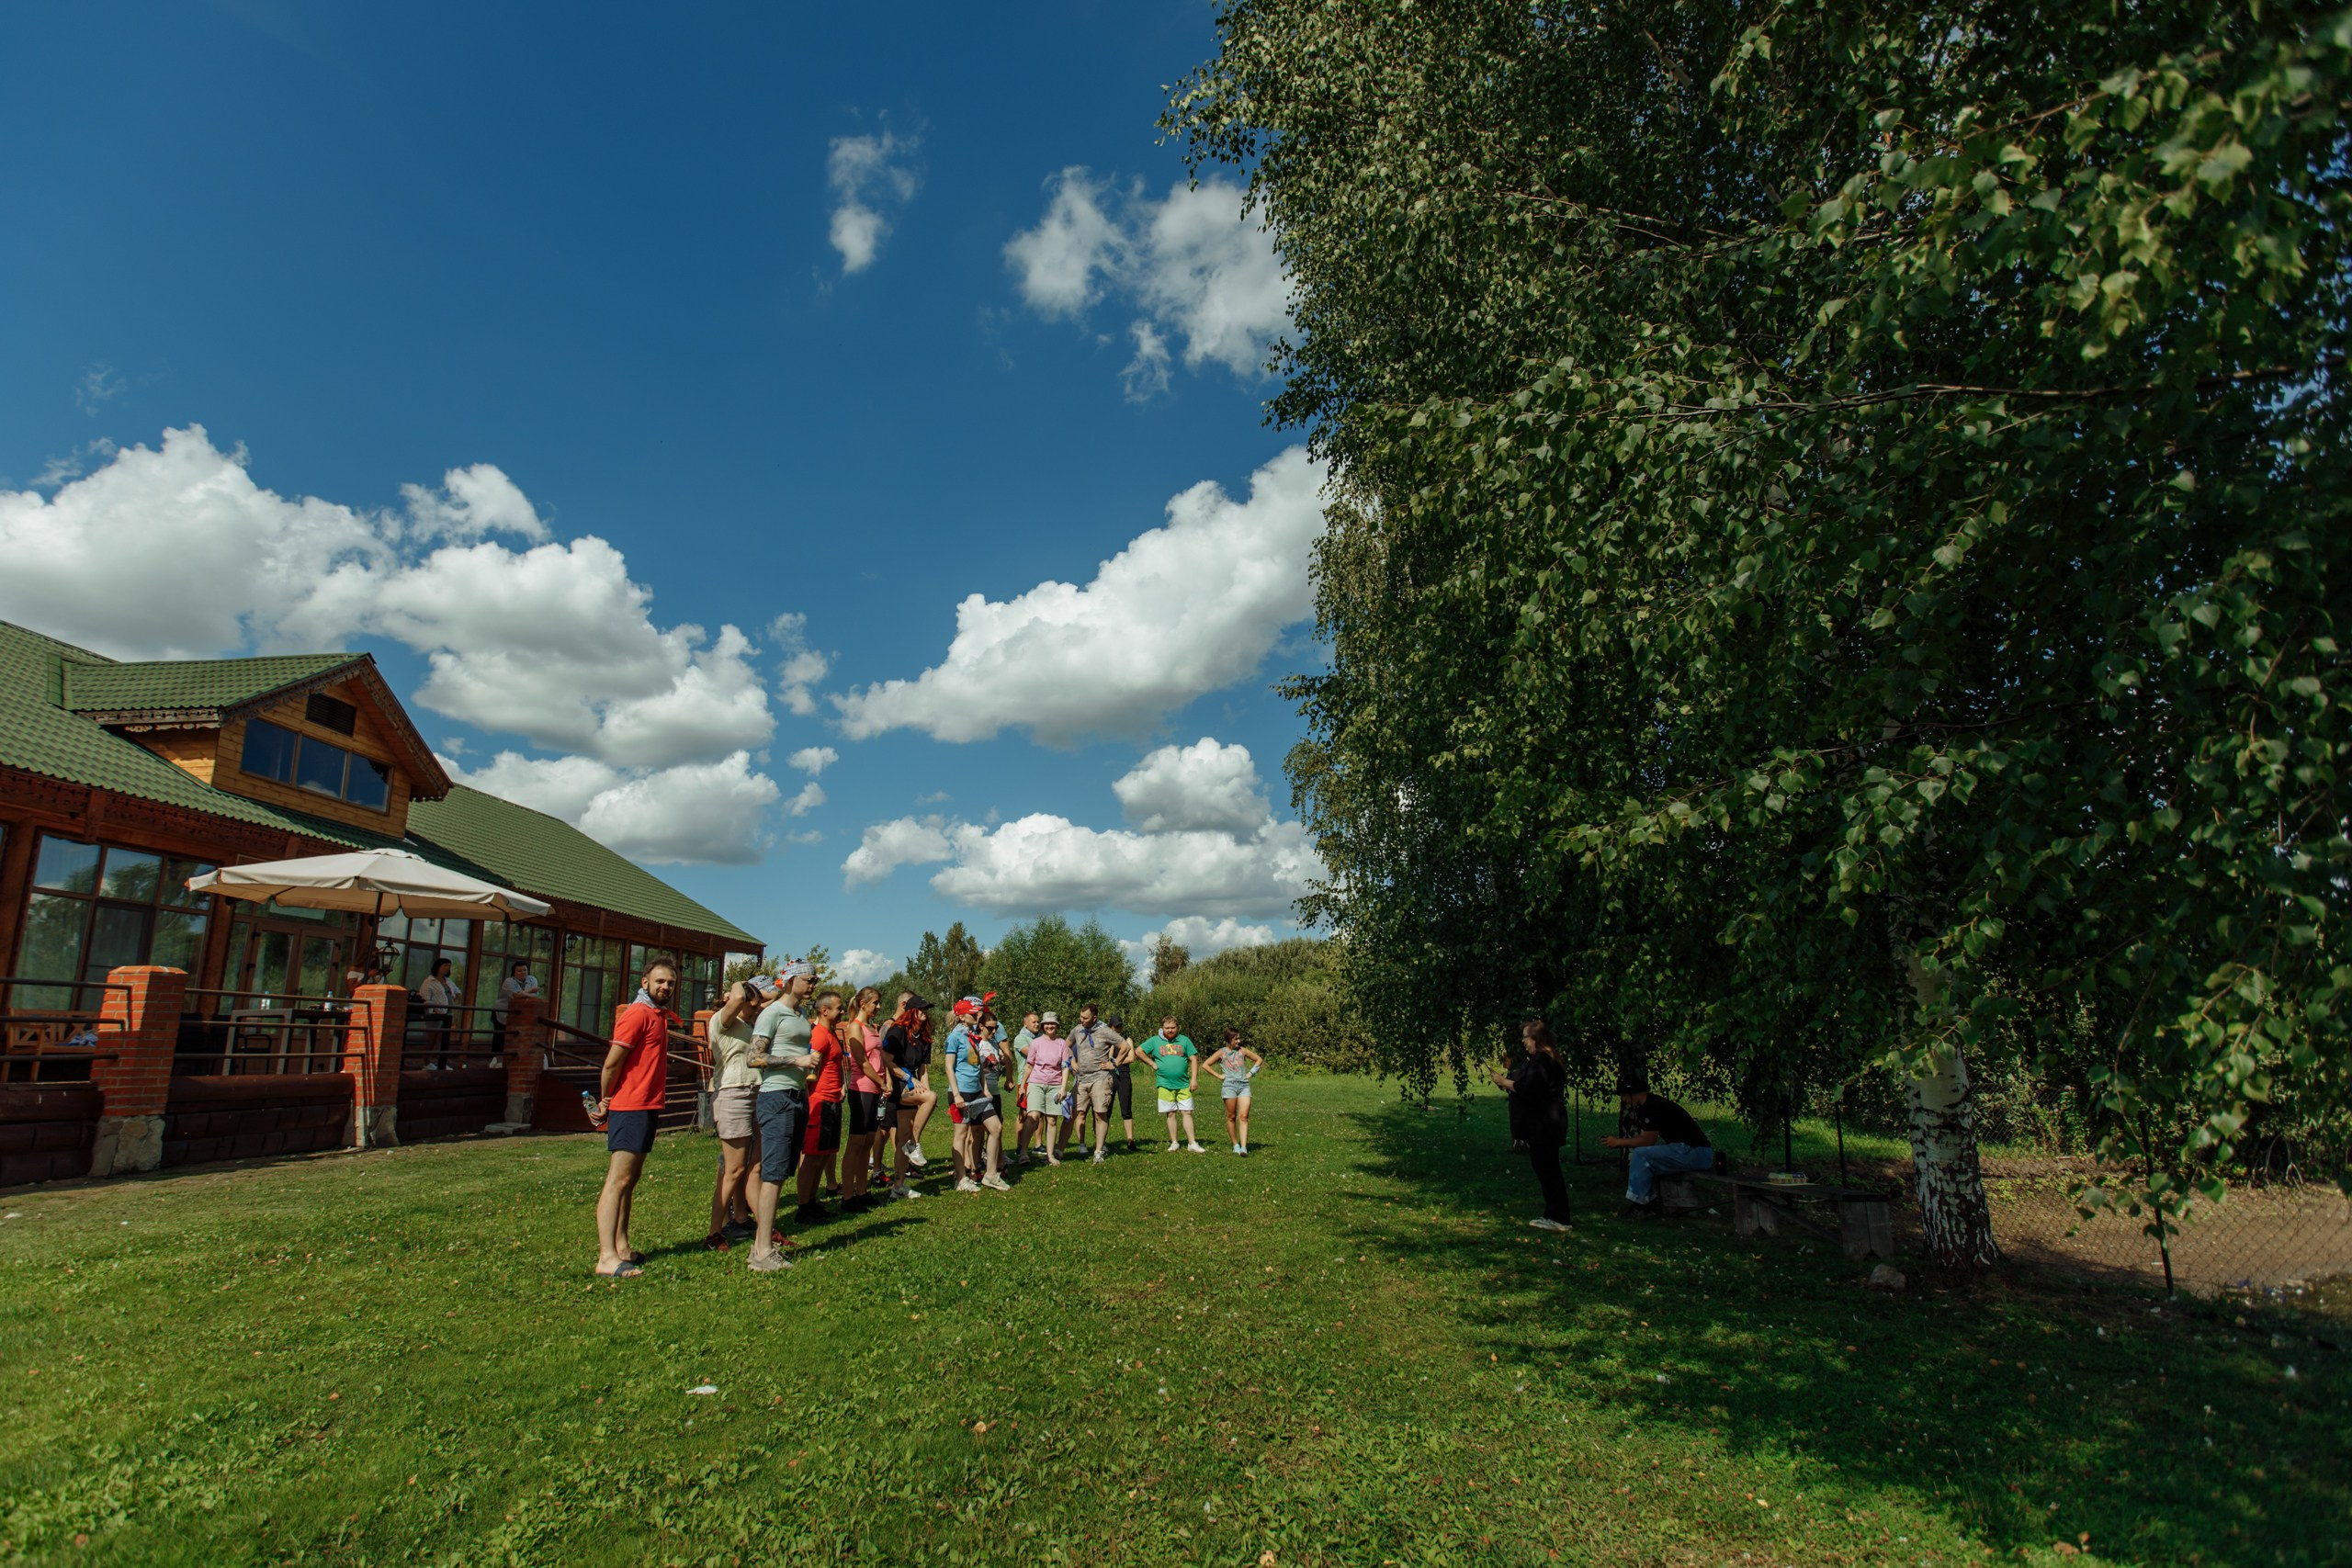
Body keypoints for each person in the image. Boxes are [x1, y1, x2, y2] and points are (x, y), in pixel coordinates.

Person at [590, 958, 681, 1278]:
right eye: (659, 981)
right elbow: (612, 1064)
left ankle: (622, 1246)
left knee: (630, 1181)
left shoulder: (657, 1015)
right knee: (618, 1181)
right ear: (645, 983)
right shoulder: (637, 1014)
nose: (665, 987)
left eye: (670, 982)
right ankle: (606, 1257)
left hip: (647, 1106)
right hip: (630, 1106)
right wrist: (605, 1101)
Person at [744, 960, 818, 1273]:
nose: (814, 984)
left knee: (781, 1171)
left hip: (797, 1097)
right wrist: (797, 1060)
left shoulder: (800, 1013)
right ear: (789, 981)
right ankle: (762, 1252)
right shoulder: (771, 1013)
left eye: (816, 980)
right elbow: (753, 1057)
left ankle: (764, 1247)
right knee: (772, 1173)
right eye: (809, 979)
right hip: (776, 1097)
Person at [704, 975, 773, 1249]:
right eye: (752, 1005)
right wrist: (743, 985)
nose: (757, 1009)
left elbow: (771, 1000)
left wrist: (762, 995)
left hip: (753, 1093)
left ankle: (762, 1226)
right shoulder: (722, 1021)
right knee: (732, 1169)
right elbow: (737, 997)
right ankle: (714, 1232)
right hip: (733, 1095)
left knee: (751, 1166)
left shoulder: (746, 1024)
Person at [1490, 1020, 1572, 1231]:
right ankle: (1553, 1213)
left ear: (1536, 1039)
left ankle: (1560, 1217)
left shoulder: (1542, 1061)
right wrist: (1507, 1082)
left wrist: (1505, 1083)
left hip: (1545, 1123)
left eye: (1526, 1037)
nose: (1523, 1041)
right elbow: (1525, 1082)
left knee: (1548, 1168)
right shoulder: (1543, 1060)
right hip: (1546, 1122)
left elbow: (1529, 1089)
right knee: (1545, 1166)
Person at [1603, 1067, 1713, 1218]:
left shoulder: (1651, 1107)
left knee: (1641, 1155)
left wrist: (1618, 1142)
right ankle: (1650, 1200)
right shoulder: (1648, 1105)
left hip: (1695, 1152)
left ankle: (1641, 1204)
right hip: (1689, 1151)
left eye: (1624, 1095)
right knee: (1646, 1159)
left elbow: (1648, 1140)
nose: (1624, 1100)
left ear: (1632, 1093)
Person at [945, 997, 1008, 1191]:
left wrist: (985, 1088)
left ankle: (990, 1175)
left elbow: (978, 1065)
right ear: (962, 1017)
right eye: (973, 1014)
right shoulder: (954, 1037)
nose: (976, 1016)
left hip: (978, 1092)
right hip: (961, 1093)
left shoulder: (973, 1035)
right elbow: (949, 1066)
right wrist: (956, 1094)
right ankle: (961, 1179)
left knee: (996, 1127)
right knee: (961, 1135)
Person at [799, 989, 849, 1222]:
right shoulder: (819, 1035)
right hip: (819, 1102)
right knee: (812, 1156)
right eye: (839, 1008)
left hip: (832, 1100)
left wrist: (840, 1086)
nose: (842, 1011)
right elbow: (810, 1071)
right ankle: (803, 1206)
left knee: (822, 1155)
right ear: (824, 1010)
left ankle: (812, 1200)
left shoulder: (830, 1033)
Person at [840, 986, 888, 1212]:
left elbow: (880, 1059)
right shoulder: (855, 1027)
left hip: (876, 1090)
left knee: (868, 1141)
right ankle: (848, 1196)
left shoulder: (872, 1027)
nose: (878, 1007)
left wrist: (883, 1083)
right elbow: (861, 1061)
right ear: (863, 1004)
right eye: (875, 1003)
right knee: (856, 1143)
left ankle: (862, 1191)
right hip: (862, 1089)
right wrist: (881, 1082)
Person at [883, 994, 935, 1188]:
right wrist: (909, 1078)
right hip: (897, 1081)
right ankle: (914, 1144)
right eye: (922, 1009)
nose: (925, 1013)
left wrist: (925, 1090)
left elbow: (923, 1068)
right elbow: (886, 1059)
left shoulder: (924, 1036)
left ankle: (898, 1186)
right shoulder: (897, 1030)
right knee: (932, 1097)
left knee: (902, 1135)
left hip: (912, 1082)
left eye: (927, 1010)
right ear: (912, 1011)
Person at [1136, 1017, 1204, 1153]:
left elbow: (1193, 1058)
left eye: (1173, 1027)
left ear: (1177, 1027)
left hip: (1184, 1083)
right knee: (1171, 1113)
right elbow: (1138, 1051)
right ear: (1162, 1028)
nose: (1170, 1030)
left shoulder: (1184, 1040)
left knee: (1187, 1112)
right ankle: (1174, 1142)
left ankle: (1192, 1143)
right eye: (1167, 1028)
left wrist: (1194, 1079)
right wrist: (1152, 1063)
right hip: (1164, 1084)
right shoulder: (1155, 1041)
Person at [1065, 1003, 1123, 1163]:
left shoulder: (1104, 1031)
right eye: (1081, 1017)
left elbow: (1124, 1046)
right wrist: (1072, 1060)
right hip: (1082, 1079)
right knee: (1078, 1113)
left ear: (1094, 1018)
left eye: (1085, 1018)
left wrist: (1115, 1063)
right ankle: (1081, 1144)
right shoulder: (1077, 1030)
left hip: (1101, 1078)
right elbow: (1065, 1045)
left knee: (1099, 1113)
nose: (1081, 1020)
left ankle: (1098, 1150)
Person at [1021, 1011, 1074, 1166]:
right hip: (1036, 1082)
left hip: (1055, 1085)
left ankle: (1050, 1155)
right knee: (1034, 1116)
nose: (1050, 1026)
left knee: (1052, 1120)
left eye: (1053, 1024)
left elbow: (1065, 1067)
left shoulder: (1062, 1044)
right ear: (1043, 1026)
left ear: (1056, 1026)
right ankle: (1023, 1152)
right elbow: (1029, 1064)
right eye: (1047, 1024)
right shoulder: (1036, 1043)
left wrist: (1063, 1088)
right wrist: (1023, 1086)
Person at [1203, 1027, 1263, 1156]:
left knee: (1244, 1116)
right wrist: (1218, 1076)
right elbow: (1206, 1064)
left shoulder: (1242, 1051)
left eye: (1239, 1038)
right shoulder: (1221, 1052)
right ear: (1229, 1039)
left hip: (1244, 1086)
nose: (1239, 1041)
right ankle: (1235, 1144)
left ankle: (1244, 1147)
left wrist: (1251, 1073)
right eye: (1236, 1039)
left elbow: (1259, 1060)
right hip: (1229, 1087)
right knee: (1231, 1117)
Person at [1008, 1011, 1041, 1164]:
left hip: (1040, 1079)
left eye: (1038, 1022)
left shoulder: (1040, 1038)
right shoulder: (1021, 1038)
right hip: (1026, 1080)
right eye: (1033, 1022)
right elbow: (1033, 1055)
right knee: (1025, 1113)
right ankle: (1020, 1145)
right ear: (1025, 1023)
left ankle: (1038, 1144)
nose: (1036, 1024)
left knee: (1039, 1113)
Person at [1104, 1011, 1139, 1150]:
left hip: (1124, 1076)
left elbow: (1131, 1058)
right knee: (1107, 1108)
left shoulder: (1127, 1040)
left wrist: (1116, 1063)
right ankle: (1103, 1141)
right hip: (1109, 1076)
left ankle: (1130, 1139)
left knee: (1126, 1107)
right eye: (1115, 1027)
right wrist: (1113, 1042)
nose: (1117, 1030)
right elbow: (1107, 1058)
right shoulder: (1107, 1042)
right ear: (1110, 1027)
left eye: (1119, 1027)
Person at [419, 956, 459, 1068]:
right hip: (436, 1013)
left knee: (443, 1039)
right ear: (438, 967)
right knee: (432, 1037)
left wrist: (452, 998)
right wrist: (435, 1008)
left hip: (448, 1012)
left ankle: (441, 1062)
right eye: (445, 965)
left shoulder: (448, 981)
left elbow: (457, 991)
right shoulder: (430, 981)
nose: (447, 968)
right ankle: (426, 1062)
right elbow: (425, 997)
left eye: (449, 966)